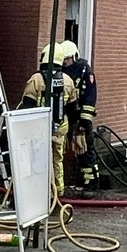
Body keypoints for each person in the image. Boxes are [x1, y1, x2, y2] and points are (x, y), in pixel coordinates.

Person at [19, 43, 79, 198]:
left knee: (36, 161)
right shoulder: (68, 80)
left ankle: (38, 192)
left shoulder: (36, 79)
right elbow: (73, 110)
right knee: (57, 160)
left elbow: (27, 105)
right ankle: (57, 192)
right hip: (60, 129)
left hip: (39, 129)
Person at [59, 40, 99, 191]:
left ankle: (91, 183)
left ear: (74, 57)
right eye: (63, 60)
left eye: (67, 59)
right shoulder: (60, 73)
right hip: (65, 118)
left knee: (85, 151)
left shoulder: (85, 72)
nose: (65, 63)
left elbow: (90, 97)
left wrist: (84, 122)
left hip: (80, 119)